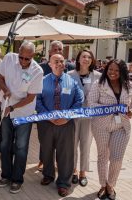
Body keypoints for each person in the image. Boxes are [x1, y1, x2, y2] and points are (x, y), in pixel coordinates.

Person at [0, 41, 43, 194]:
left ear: (33, 56)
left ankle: (17, 180)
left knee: (21, 148)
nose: (23, 61)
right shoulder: (9, 58)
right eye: (21, 57)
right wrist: (5, 89)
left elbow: (30, 98)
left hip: (24, 114)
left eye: (27, 59)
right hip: (6, 109)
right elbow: (0, 77)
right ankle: (6, 176)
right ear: (18, 52)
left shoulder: (38, 71)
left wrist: (13, 107)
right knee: (4, 145)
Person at [87, 59, 132, 200]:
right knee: (103, 156)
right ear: (106, 70)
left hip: (122, 126)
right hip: (101, 126)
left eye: (116, 70)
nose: (113, 73)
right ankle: (103, 185)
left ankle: (111, 185)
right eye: (110, 69)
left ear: (122, 72)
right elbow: (91, 104)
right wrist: (109, 109)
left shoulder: (129, 85)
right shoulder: (99, 84)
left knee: (116, 158)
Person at [36, 54, 84, 197]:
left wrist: (67, 117)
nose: (59, 63)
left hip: (66, 124)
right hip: (46, 123)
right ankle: (48, 175)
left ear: (65, 64)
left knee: (66, 154)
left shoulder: (72, 81)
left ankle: (63, 183)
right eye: (56, 61)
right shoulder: (42, 81)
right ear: (49, 64)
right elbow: (37, 101)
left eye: (61, 61)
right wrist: (48, 116)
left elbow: (79, 100)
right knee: (46, 150)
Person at [37, 40, 74, 171]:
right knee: (46, 143)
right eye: (55, 49)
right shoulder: (41, 67)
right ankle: (44, 162)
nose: (58, 52)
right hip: (46, 115)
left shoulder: (69, 67)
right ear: (49, 52)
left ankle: (60, 166)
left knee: (63, 146)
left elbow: (76, 95)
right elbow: (37, 96)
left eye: (60, 50)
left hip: (64, 116)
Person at [68, 49, 101, 187]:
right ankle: (73, 171)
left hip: (89, 117)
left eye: (89, 57)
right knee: (72, 145)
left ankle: (83, 172)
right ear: (78, 59)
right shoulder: (69, 74)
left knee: (85, 145)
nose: (86, 59)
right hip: (73, 116)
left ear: (92, 60)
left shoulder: (98, 76)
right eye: (83, 56)